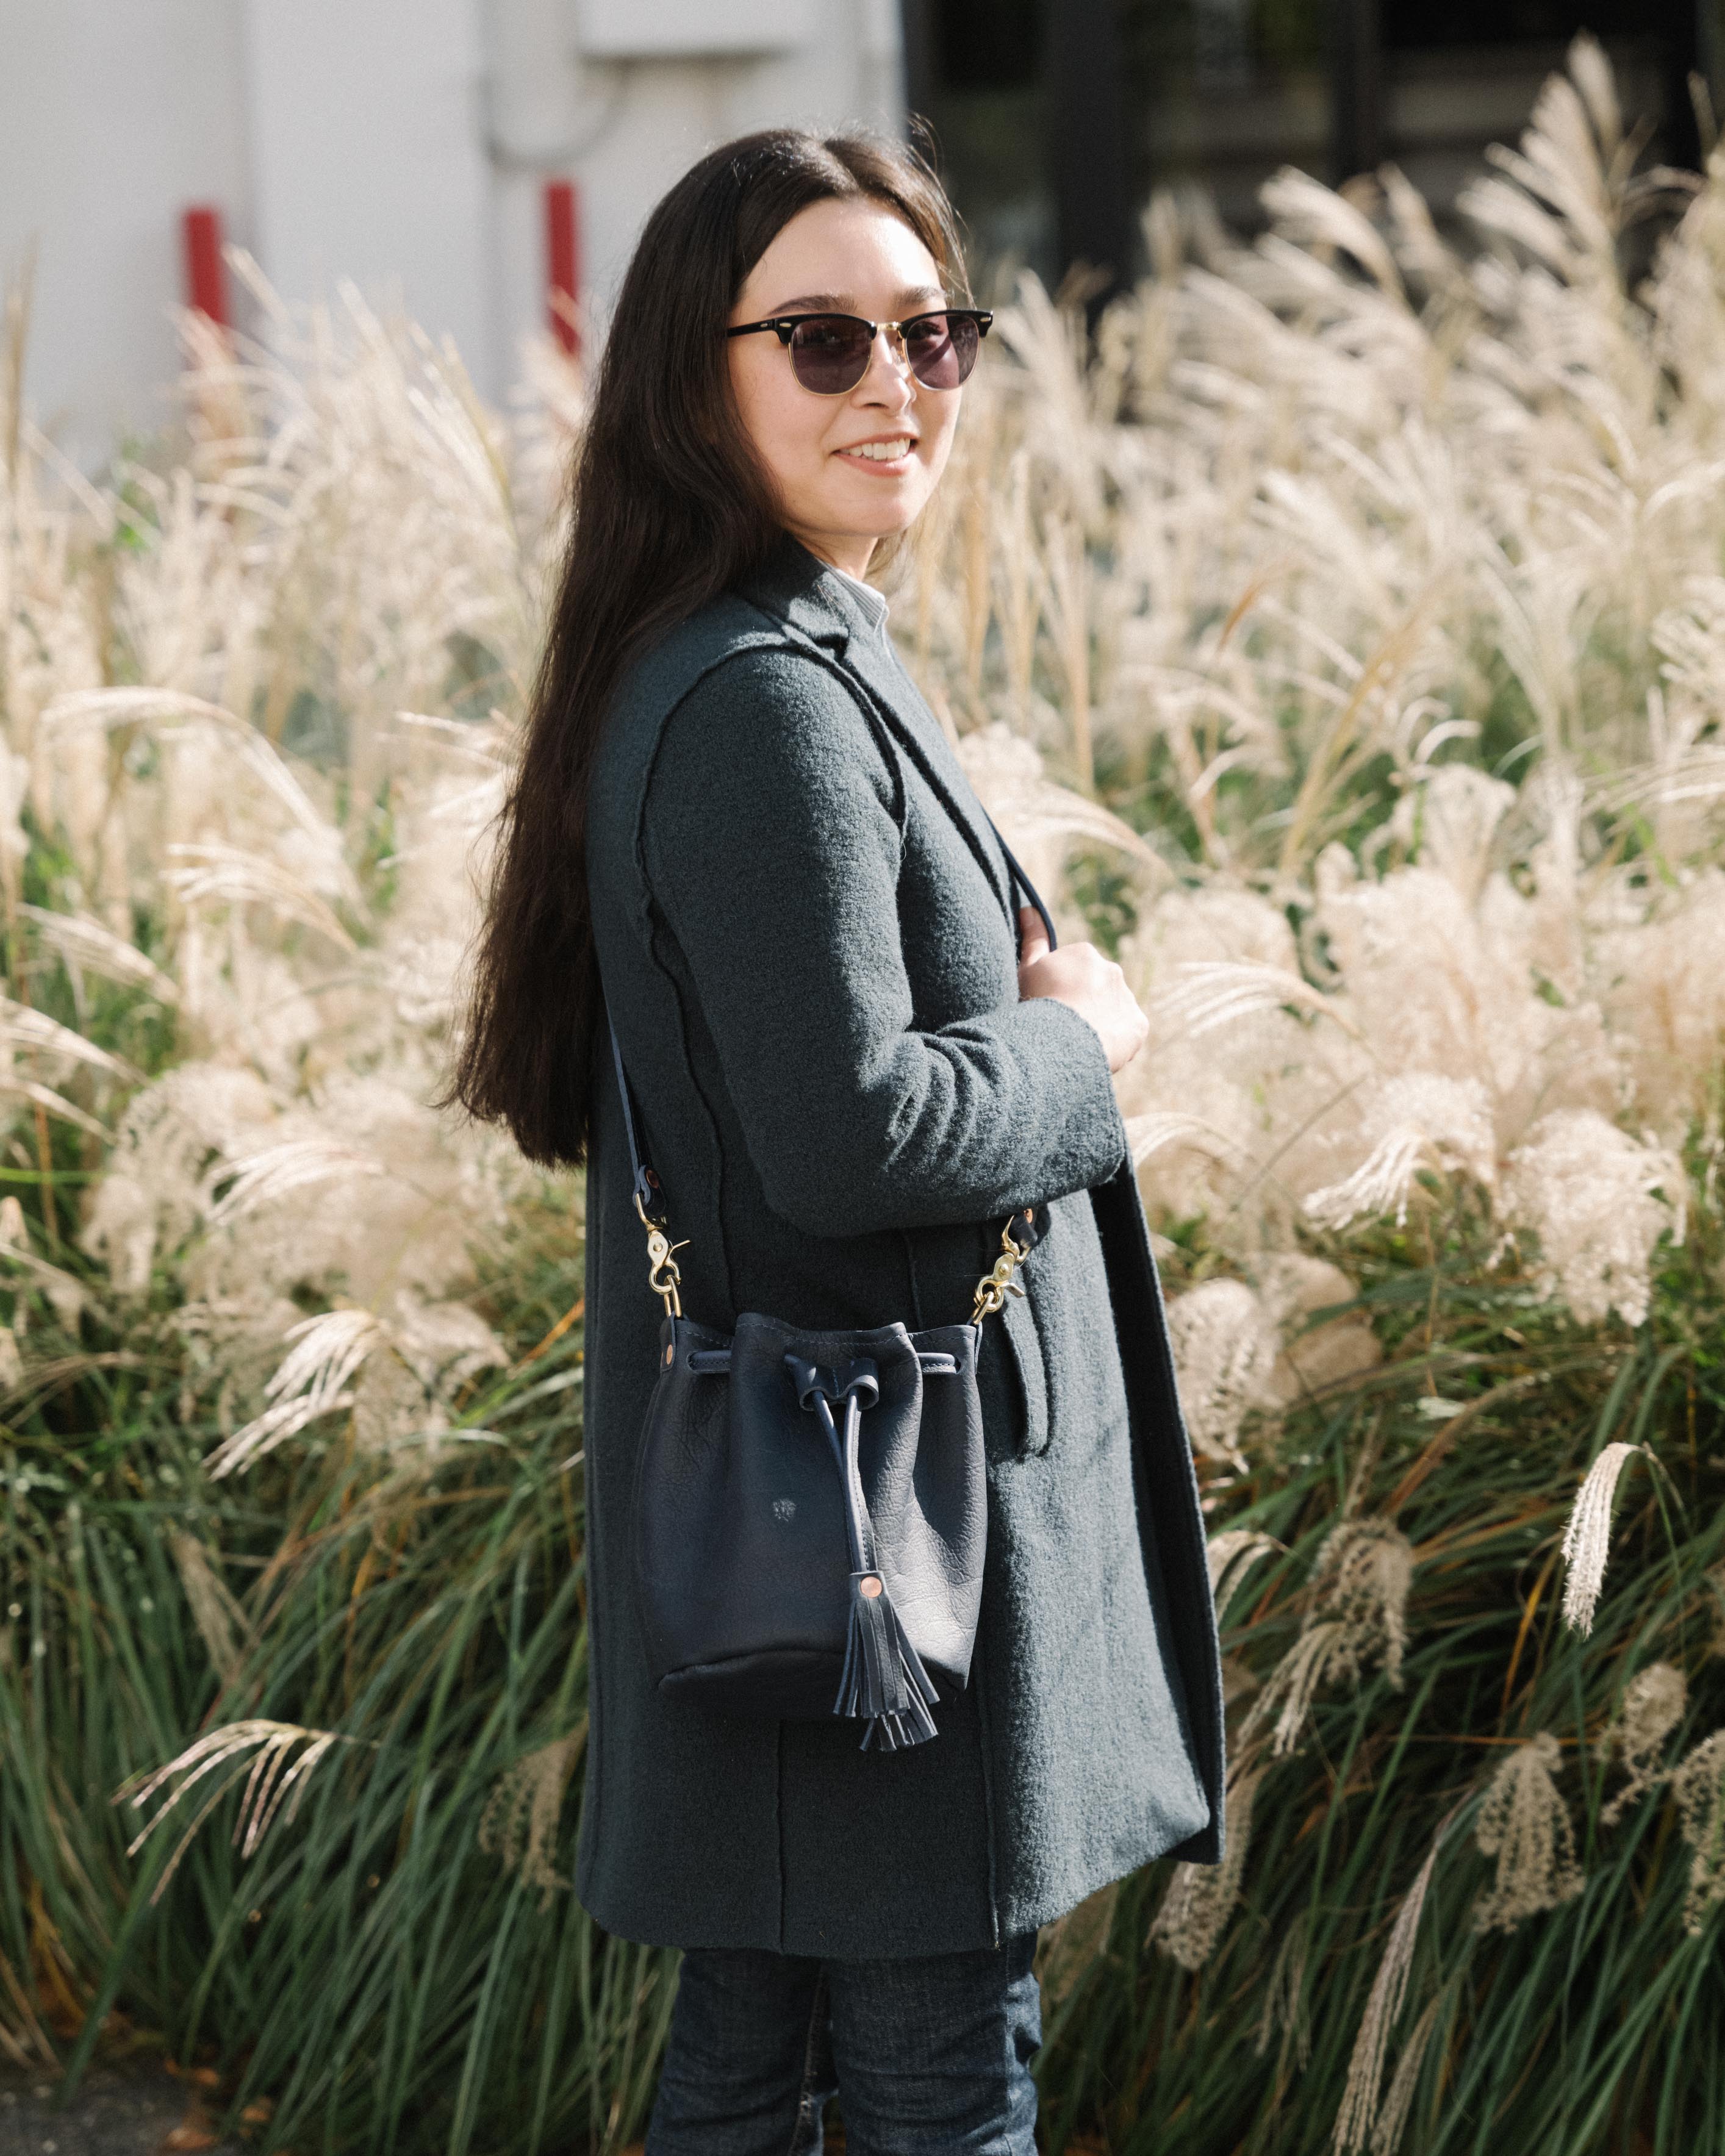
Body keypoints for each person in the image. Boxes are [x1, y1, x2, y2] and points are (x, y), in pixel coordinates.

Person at [450, 127, 1225, 2156]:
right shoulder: (759, 701)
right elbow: (855, 1135)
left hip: (830, 1500)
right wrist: (1092, 1052)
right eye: (821, 339)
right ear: (692, 379)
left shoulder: (780, 650)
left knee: (755, 2049)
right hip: (880, 1521)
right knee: (935, 2081)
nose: (894, 382)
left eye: (931, 334)